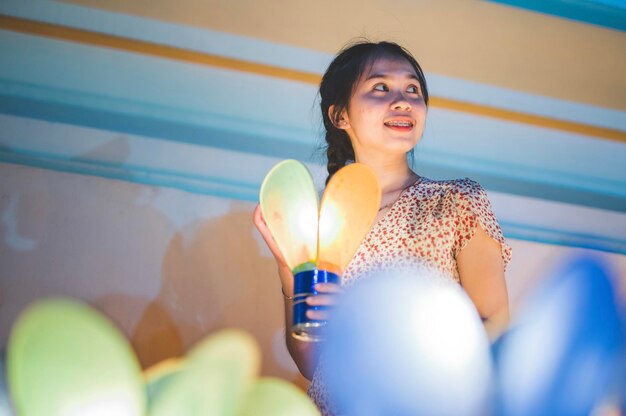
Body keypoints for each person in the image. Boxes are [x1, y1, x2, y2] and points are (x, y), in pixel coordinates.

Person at [253, 40, 511, 415]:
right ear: (339, 115)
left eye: (413, 90)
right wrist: (288, 265)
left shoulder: (455, 201)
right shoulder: (323, 223)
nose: (403, 100)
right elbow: (313, 363)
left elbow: (496, 325)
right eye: (380, 87)